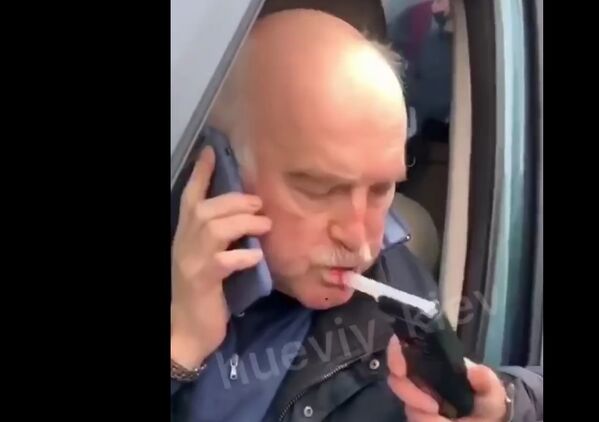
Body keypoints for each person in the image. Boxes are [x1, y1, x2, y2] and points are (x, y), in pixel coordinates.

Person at [171, 9, 542, 422]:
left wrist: (504, 407)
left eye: (383, 190)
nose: (361, 239)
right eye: (319, 189)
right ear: (220, 170)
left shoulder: (400, 298)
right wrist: (180, 346)